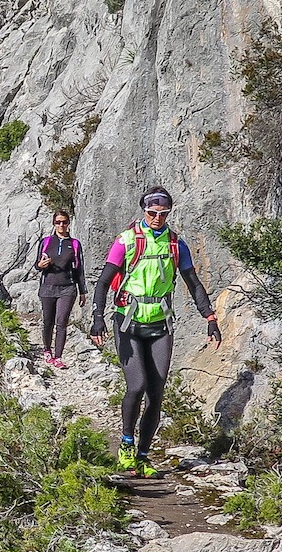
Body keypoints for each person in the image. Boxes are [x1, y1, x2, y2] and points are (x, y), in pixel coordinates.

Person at [89, 186, 222, 477]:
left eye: (163, 214)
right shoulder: (126, 241)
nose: (157, 218)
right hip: (128, 322)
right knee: (136, 387)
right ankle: (126, 443)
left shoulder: (176, 245)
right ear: (143, 211)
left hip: (161, 324)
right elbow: (103, 282)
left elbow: (193, 283)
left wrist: (210, 317)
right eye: (152, 213)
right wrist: (97, 318)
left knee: (156, 394)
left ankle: (144, 455)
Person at [33, 210, 85, 369]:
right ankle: (47, 349)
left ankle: (58, 357)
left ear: (68, 223)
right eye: (58, 222)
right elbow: (37, 265)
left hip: (67, 288)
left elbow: (79, 269)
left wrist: (83, 291)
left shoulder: (75, 244)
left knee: (61, 322)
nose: (61, 225)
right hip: (47, 287)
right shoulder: (46, 242)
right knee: (48, 321)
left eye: (64, 222)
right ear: (54, 224)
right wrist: (40, 266)